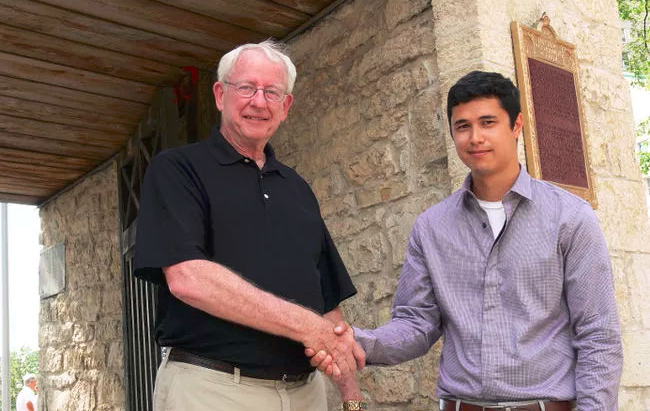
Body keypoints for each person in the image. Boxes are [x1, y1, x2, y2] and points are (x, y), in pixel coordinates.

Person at [310, 71, 623, 410]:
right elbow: (417, 324)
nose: (475, 137)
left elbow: (598, 336)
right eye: (463, 126)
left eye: (488, 122)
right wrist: (358, 341)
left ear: (516, 126)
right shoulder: (432, 227)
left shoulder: (570, 218)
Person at [134, 40, 365, 411]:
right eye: (246, 87)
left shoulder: (298, 188)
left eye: (272, 92)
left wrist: (352, 395)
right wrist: (307, 327)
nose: (259, 101)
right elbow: (188, 278)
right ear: (220, 94)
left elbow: (327, 303)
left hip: (307, 394)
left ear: (286, 107)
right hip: (213, 391)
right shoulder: (177, 170)